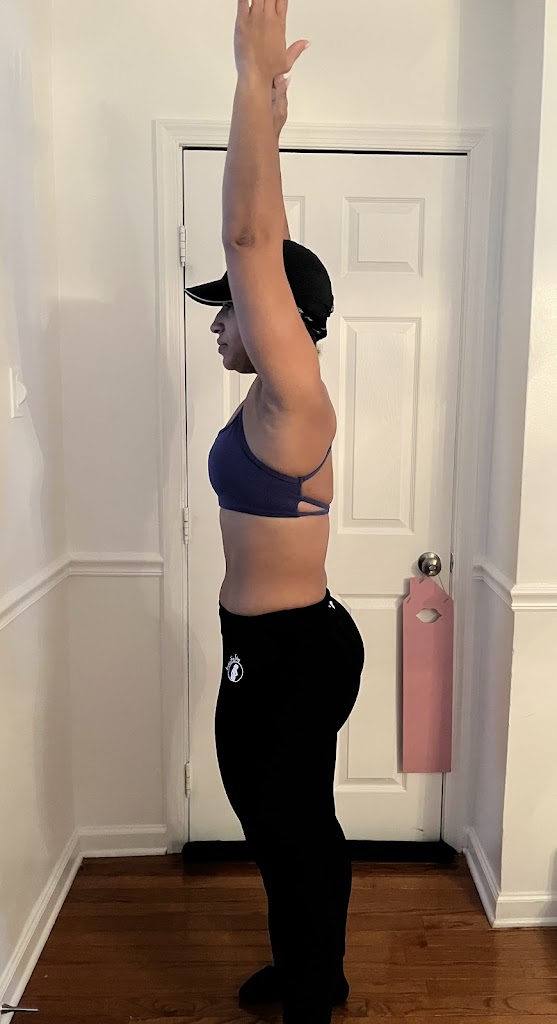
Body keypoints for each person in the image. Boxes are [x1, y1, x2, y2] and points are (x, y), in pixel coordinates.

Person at [185, 4, 365, 1023]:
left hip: (290, 650)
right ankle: (306, 966)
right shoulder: (268, 399)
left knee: (289, 827)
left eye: (232, 304)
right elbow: (263, 245)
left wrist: (249, 84)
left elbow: (255, 238)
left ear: (278, 320)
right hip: (269, 641)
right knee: (276, 819)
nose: (219, 320)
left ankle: (313, 987)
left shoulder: (294, 401)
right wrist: (267, 127)